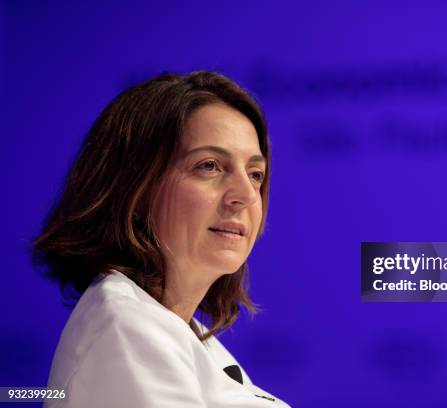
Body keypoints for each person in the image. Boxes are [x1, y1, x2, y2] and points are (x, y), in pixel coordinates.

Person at [32, 71, 290, 407]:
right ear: (134, 189)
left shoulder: (177, 331)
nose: (245, 194)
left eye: (255, 174)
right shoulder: (128, 329)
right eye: (209, 165)